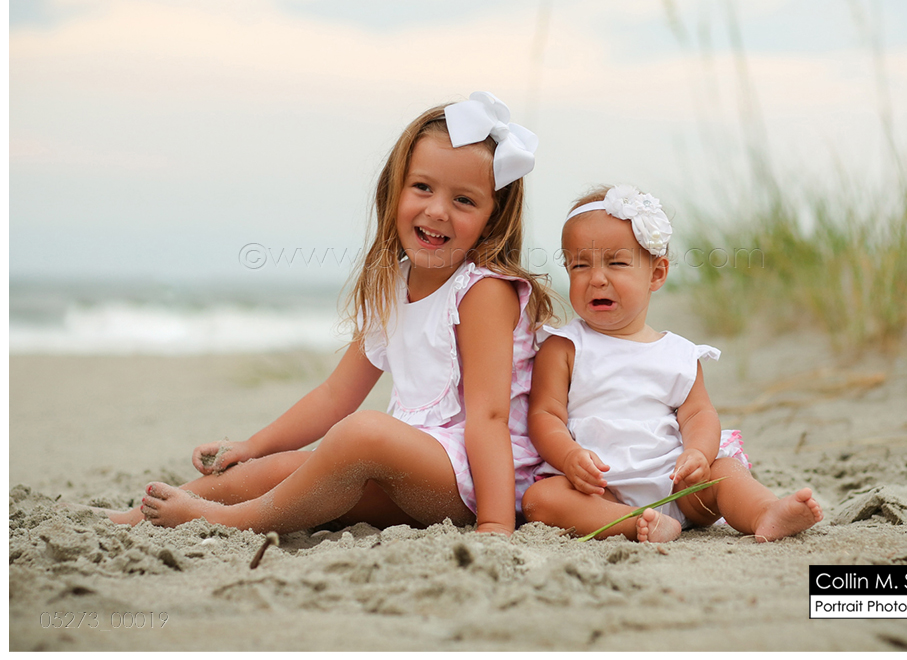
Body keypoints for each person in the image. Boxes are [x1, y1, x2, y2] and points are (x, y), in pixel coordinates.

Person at [106, 91, 553, 536]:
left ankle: (228, 521)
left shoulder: (484, 292)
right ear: (394, 190)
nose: (437, 211)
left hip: (476, 482)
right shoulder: (394, 285)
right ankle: (136, 517)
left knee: (361, 433)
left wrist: (495, 521)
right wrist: (252, 445)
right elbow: (334, 395)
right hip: (412, 473)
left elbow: (490, 417)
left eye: (464, 201)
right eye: (422, 188)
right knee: (277, 468)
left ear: (493, 220)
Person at [522, 185, 823, 543]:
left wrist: (698, 452)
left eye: (616, 262)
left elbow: (699, 415)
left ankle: (765, 511)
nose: (596, 278)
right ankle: (634, 523)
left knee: (724, 471)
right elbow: (545, 415)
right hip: (601, 488)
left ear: (657, 274)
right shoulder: (565, 346)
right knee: (540, 499)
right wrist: (569, 456)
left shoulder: (678, 353)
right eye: (579, 265)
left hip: (677, 483)